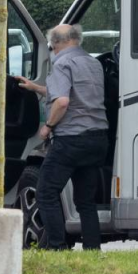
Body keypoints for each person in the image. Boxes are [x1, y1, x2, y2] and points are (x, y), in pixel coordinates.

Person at [15, 23, 107, 250]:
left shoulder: (62, 63)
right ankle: (93, 251)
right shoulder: (93, 63)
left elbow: (63, 101)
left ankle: (57, 247)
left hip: (71, 140)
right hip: (97, 139)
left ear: (57, 43)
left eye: (52, 45)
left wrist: (47, 126)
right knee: (86, 202)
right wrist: (36, 88)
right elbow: (71, 94)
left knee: (46, 193)